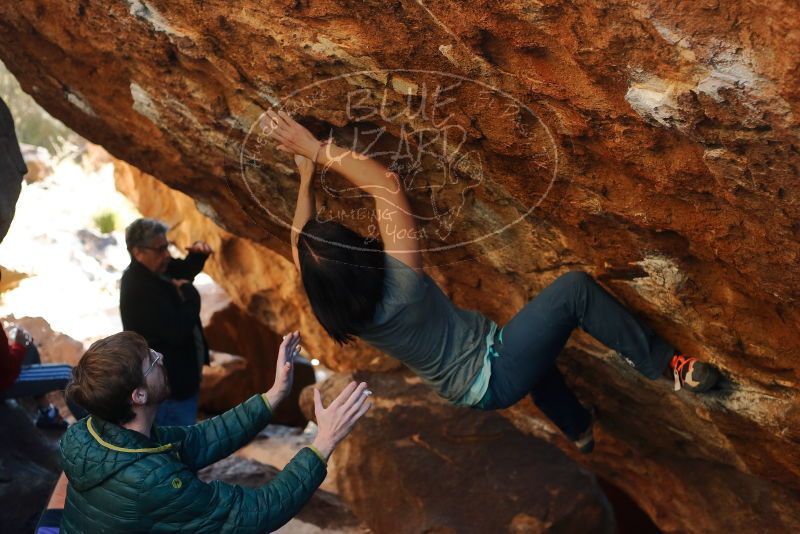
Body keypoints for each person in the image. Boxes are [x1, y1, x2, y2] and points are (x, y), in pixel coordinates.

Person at [266, 109, 720, 453]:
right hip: (493, 370)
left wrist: (305, 182)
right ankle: (667, 366)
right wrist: (315, 150)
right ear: (359, 258)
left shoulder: (338, 306)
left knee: (536, 353)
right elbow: (385, 182)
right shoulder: (402, 284)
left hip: (470, 382)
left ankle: (578, 428)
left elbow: (299, 244)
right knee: (574, 291)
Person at [60, 330, 371, 533]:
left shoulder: (89, 432)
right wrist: (324, 442)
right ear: (138, 396)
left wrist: (273, 395)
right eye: (152, 361)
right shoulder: (154, 481)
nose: (162, 358)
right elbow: (253, 515)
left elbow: (199, 439)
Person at [120, 218, 212, 426]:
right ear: (138, 252)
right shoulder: (139, 287)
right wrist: (191, 294)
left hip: (178, 383)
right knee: (175, 447)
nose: (167, 255)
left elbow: (182, 270)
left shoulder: (154, 271)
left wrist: (198, 255)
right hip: (169, 389)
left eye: (167, 247)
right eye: (160, 249)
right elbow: (177, 330)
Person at [1, 322, 72, 429]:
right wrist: (19, 345)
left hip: (5, 374)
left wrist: (19, 345)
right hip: (4, 384)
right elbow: (7, 367)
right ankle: (92, 434)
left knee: (30, 347)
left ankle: (46, 411)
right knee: (68, 375)